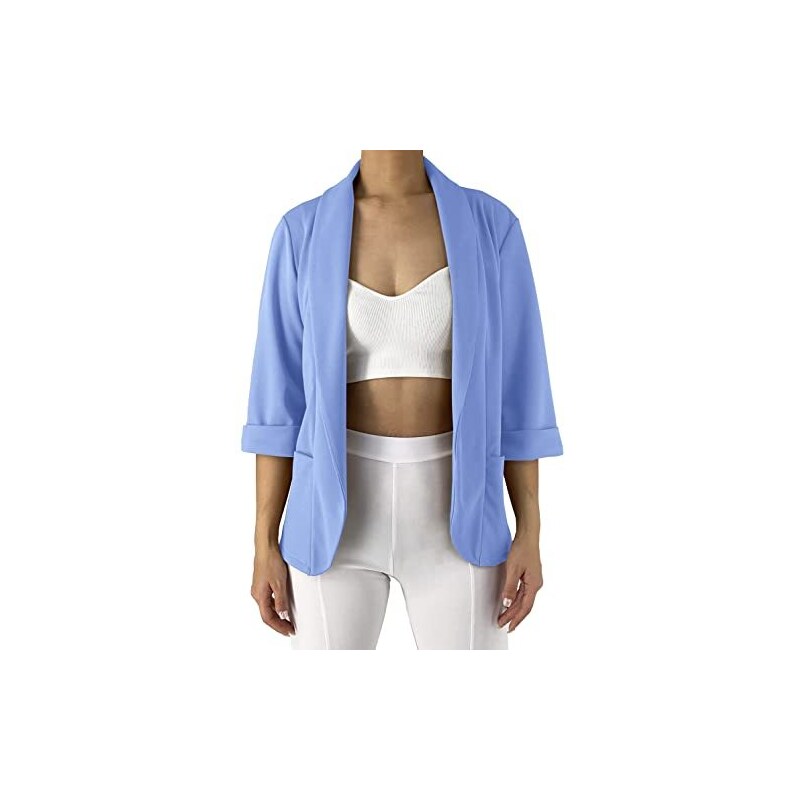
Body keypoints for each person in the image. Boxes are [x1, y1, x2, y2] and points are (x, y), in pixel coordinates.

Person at [242, 150, 563, 649]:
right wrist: (263, 543)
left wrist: (530, 532)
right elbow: (277, 404)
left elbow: (521, 392)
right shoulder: (301, 231)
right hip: (329, 524)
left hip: (462, 520)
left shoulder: (491, 226)